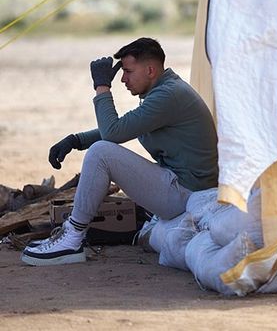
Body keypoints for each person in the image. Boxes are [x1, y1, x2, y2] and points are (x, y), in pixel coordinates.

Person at [21, 37, 218, 266]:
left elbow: (113, 133)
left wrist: (102, 86)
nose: (123, 79)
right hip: (181, 188)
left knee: (101, 153)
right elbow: (124, 127)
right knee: (100, 149)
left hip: (186, 193)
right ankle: (71, 236)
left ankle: (72, 237)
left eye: (127, 71)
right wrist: (76, 140)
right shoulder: (164, 91)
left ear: (150, 70)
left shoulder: (168, 96)